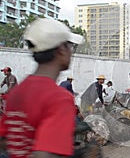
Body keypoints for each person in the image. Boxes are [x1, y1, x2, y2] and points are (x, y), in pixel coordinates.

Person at [0, 18, 84, 158]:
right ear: (61, 50)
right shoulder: (58, 97)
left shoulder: (17, 92)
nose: (71, 52)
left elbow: (4, 139)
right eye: (70, 46)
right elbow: (45, 154)